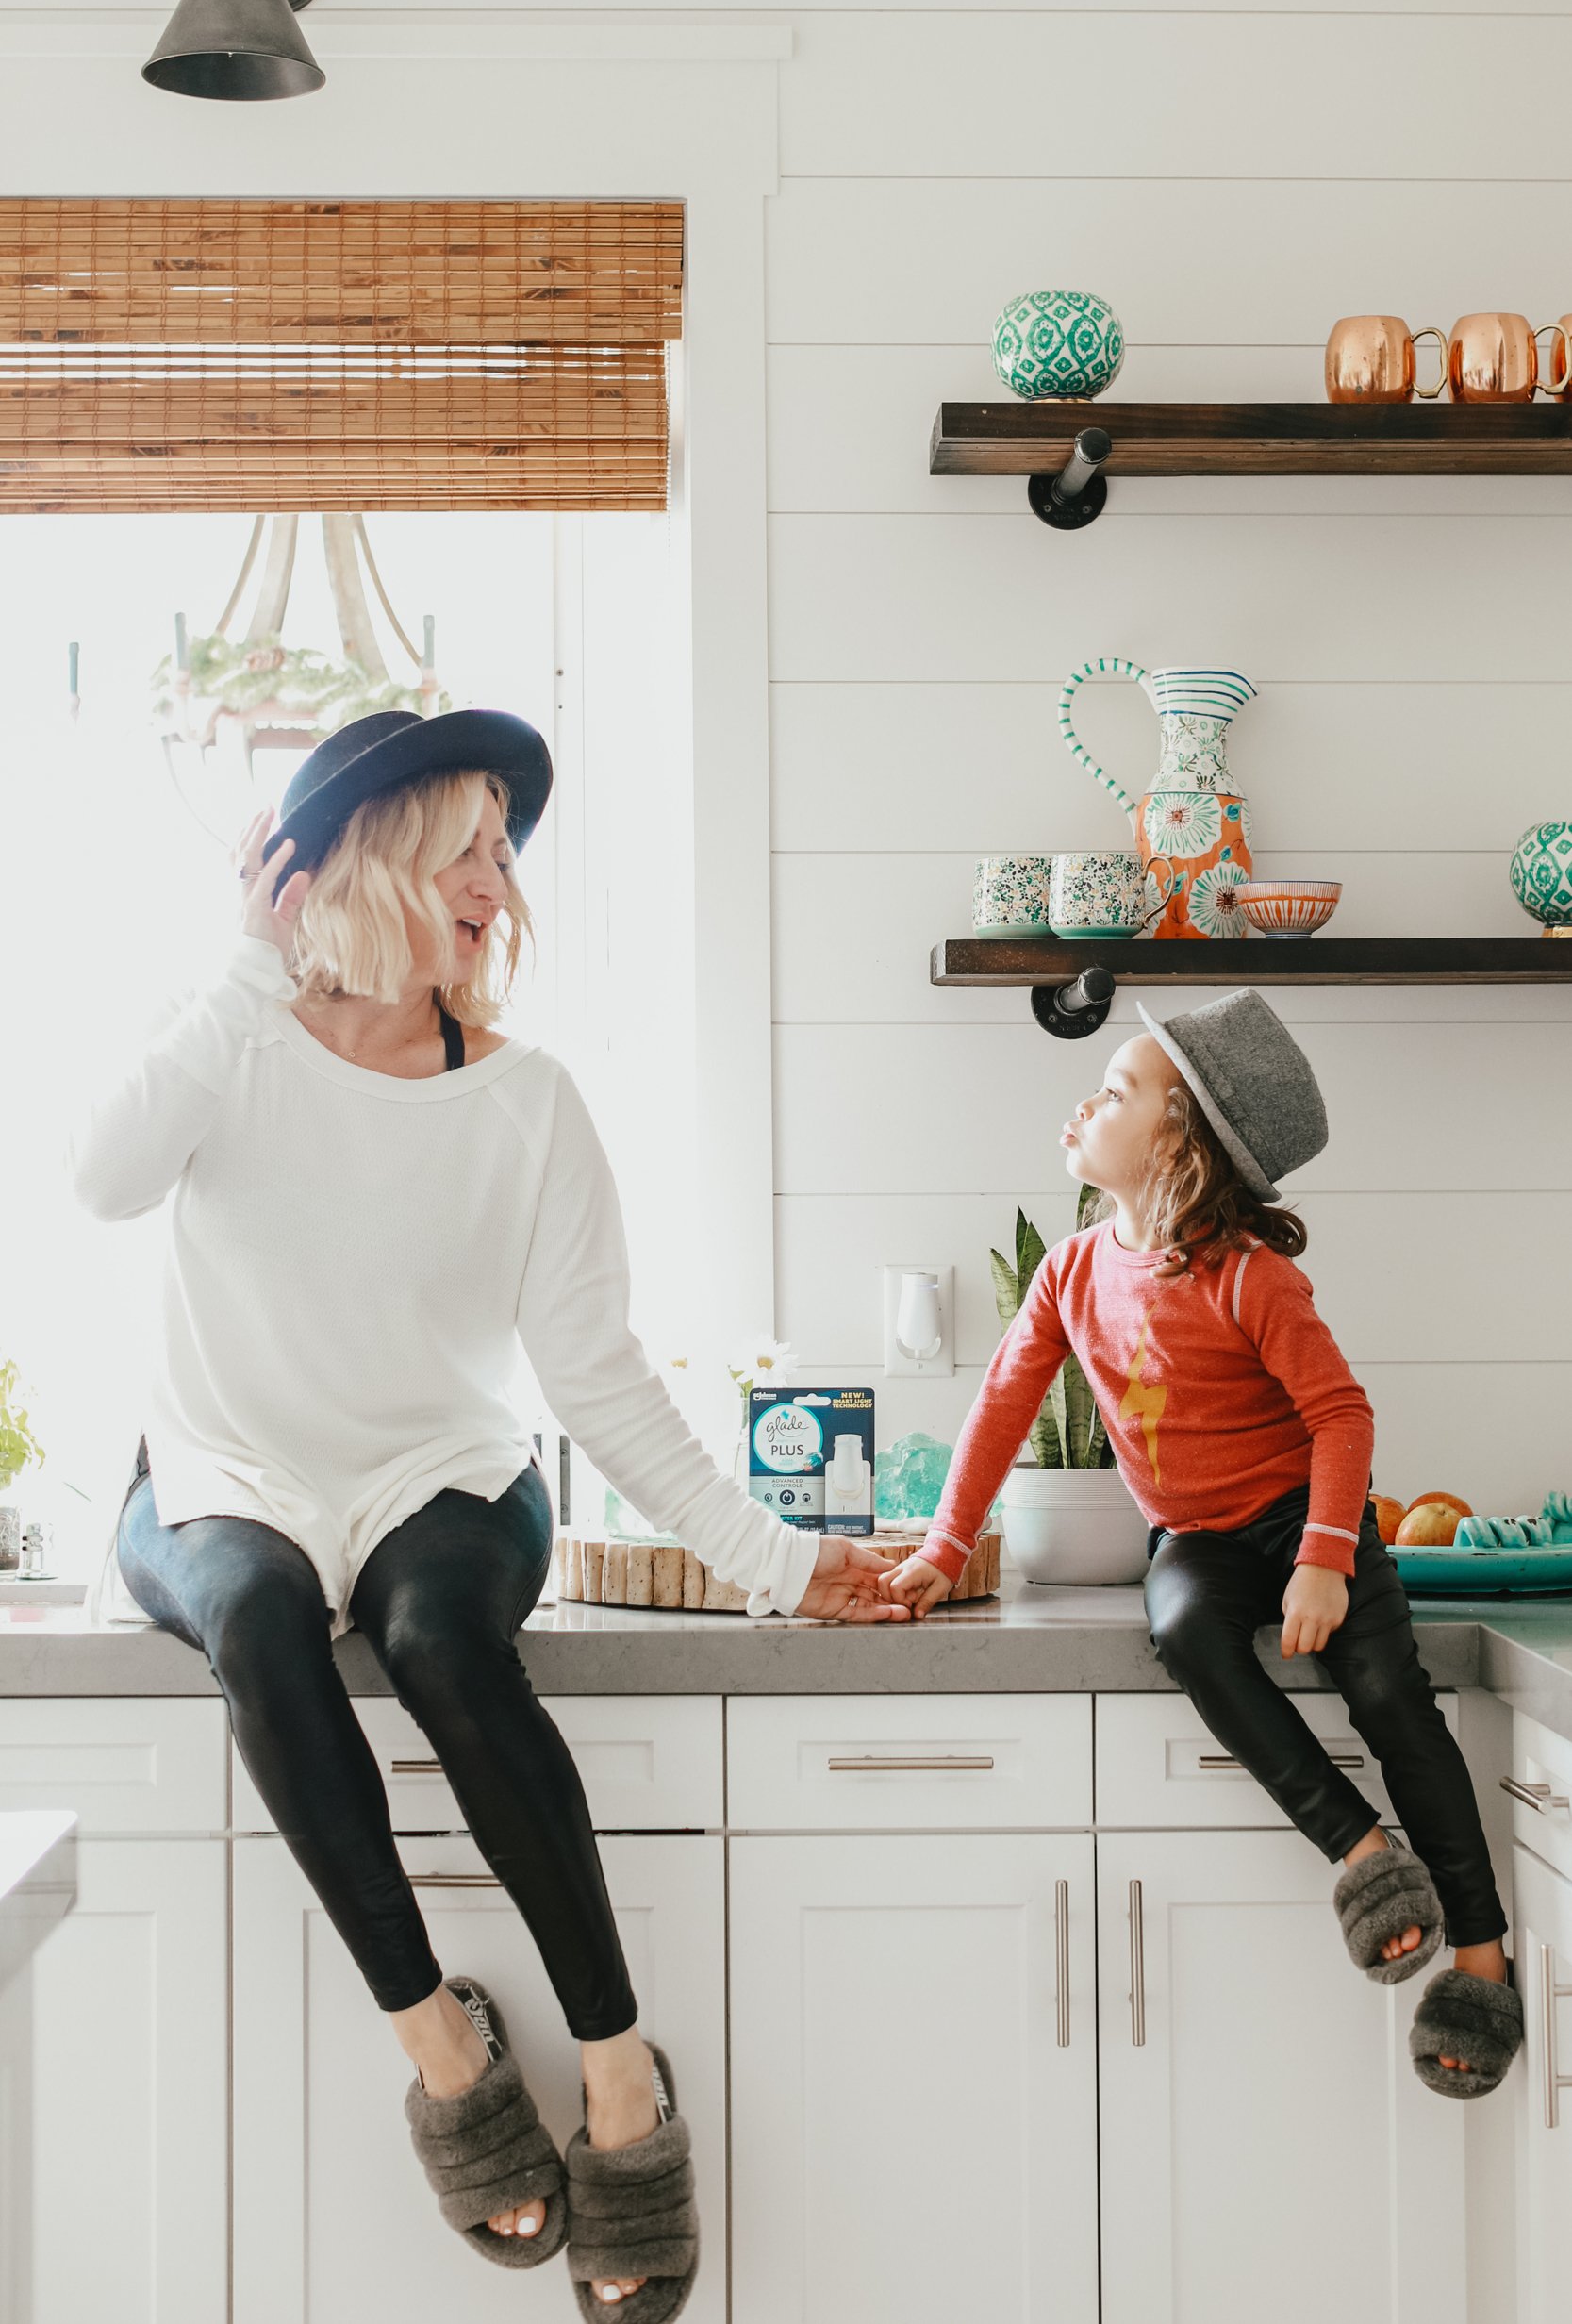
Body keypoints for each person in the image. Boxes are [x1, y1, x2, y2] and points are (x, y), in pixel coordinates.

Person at [68, 706, 907, 2316]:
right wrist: (248, 964)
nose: (495, 878)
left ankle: (616, 2075)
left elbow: (598, 1382)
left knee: (441, 1637)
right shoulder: (228, 1042)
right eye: (466, 841)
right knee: (256, 1616)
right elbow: (99, 1179)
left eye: (504, 848)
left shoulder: (528, 1104)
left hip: (437, 1478)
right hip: (227, 1475)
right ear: (359, 858)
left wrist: (783, 1564)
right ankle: (442, 2048)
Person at [885, 989, 1525, 2099]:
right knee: (1182, 1627)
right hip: (1198, 1537)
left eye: (1119, 1089)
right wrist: (945, 1549)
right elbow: (998, 1405)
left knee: (1385, 1692)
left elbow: (1340, 1417)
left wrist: (1325, 1555)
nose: (1085, 1102)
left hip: (1297, 1517)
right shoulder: (1068, 1271)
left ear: (1178, 1136)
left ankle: (1477, 1950)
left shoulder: (1246, 1274)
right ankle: (1360, 1852)